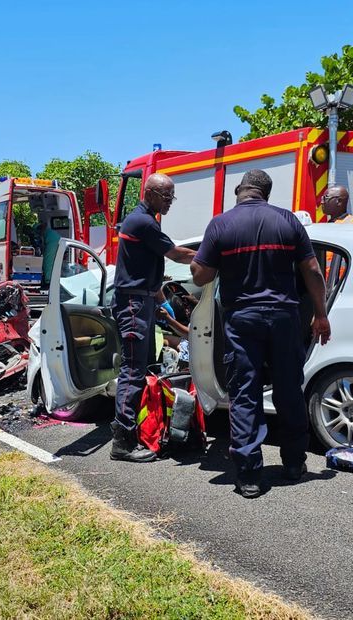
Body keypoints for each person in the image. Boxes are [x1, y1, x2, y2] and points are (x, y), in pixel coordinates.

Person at [191, 169, 331, 498]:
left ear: (240, 190)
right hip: (284, 318)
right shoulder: (288, 222)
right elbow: (312, 270)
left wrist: (205, 261)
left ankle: (250, 475)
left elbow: (200, 277)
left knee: (245, 395)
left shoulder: (221, 225)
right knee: (289, 391)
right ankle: (294, 463)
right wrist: (321, 315)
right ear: (266, 193)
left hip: (242, 320)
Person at [111, 173, 196, 463]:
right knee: (133, 370)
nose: (170, 201)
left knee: (137, 368)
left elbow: (147, 266)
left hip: (140, 300)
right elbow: (175, 254)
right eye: (167, 196)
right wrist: (210, 258)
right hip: (133, 303)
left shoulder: (144, 219)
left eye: (172, 196)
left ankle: (132, 432)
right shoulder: (144, 222)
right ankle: (122, 442)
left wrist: (161, 300)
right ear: (150, 193)